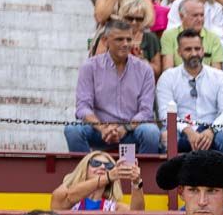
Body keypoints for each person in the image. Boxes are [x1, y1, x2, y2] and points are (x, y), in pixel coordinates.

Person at [66, 20, 162, 154]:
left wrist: (125, 129)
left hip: (131, 131)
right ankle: (85, 171)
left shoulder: (145, 69)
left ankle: (145, 174)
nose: (125, 44)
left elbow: (146, 111)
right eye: (119, 39)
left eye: (129, 39)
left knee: (151, 132)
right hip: (99, 131)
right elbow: (82, 107)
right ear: (105, 41)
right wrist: (103, 128)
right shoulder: (90, 67)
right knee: (72, 129)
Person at [157, 30, 223, 153]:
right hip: (180, 129)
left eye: (197, 49)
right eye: (188, 49)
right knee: (168, 137)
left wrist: (211, 130)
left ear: (203, 50)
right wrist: (187, 130)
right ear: (179, 52)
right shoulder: (168, 77)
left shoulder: (219, 76)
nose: (194, 53)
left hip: (211, 129)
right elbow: (164, 114)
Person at [50, 150, 145, 212]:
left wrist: (136, 182)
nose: (102, 167)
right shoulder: (65, 192)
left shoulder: (114, 207)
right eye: (96, 163)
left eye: (108, 166)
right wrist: (108, 176)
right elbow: (67, 198)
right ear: (84, 168)